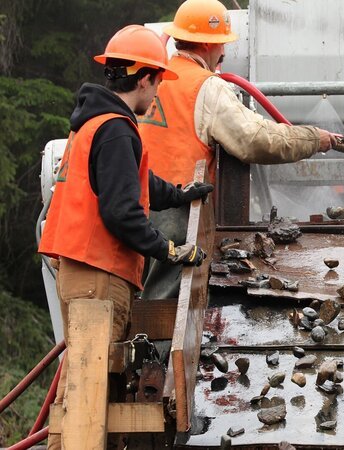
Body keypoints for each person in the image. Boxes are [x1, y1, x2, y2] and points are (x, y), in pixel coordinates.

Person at [39, 25, 212, 449]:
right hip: (99, 275)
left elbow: (135, 182)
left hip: (80, 270)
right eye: (158, 83)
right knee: (89, 397)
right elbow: (121, 211)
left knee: (77, 393)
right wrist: (169, 250)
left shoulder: (95, 124)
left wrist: (180, 194)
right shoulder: (116, 129)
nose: (157, 96)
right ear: (146, 77)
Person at [139, 0, 344, 299]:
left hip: (135, 205)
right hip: (176, 212)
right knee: (166, 307)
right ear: (210, 44)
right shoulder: (206, 87)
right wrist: (315, 138)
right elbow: (255, 140)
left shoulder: (152, 76)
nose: (224, 52)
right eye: (222, 44)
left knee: (137, 303)